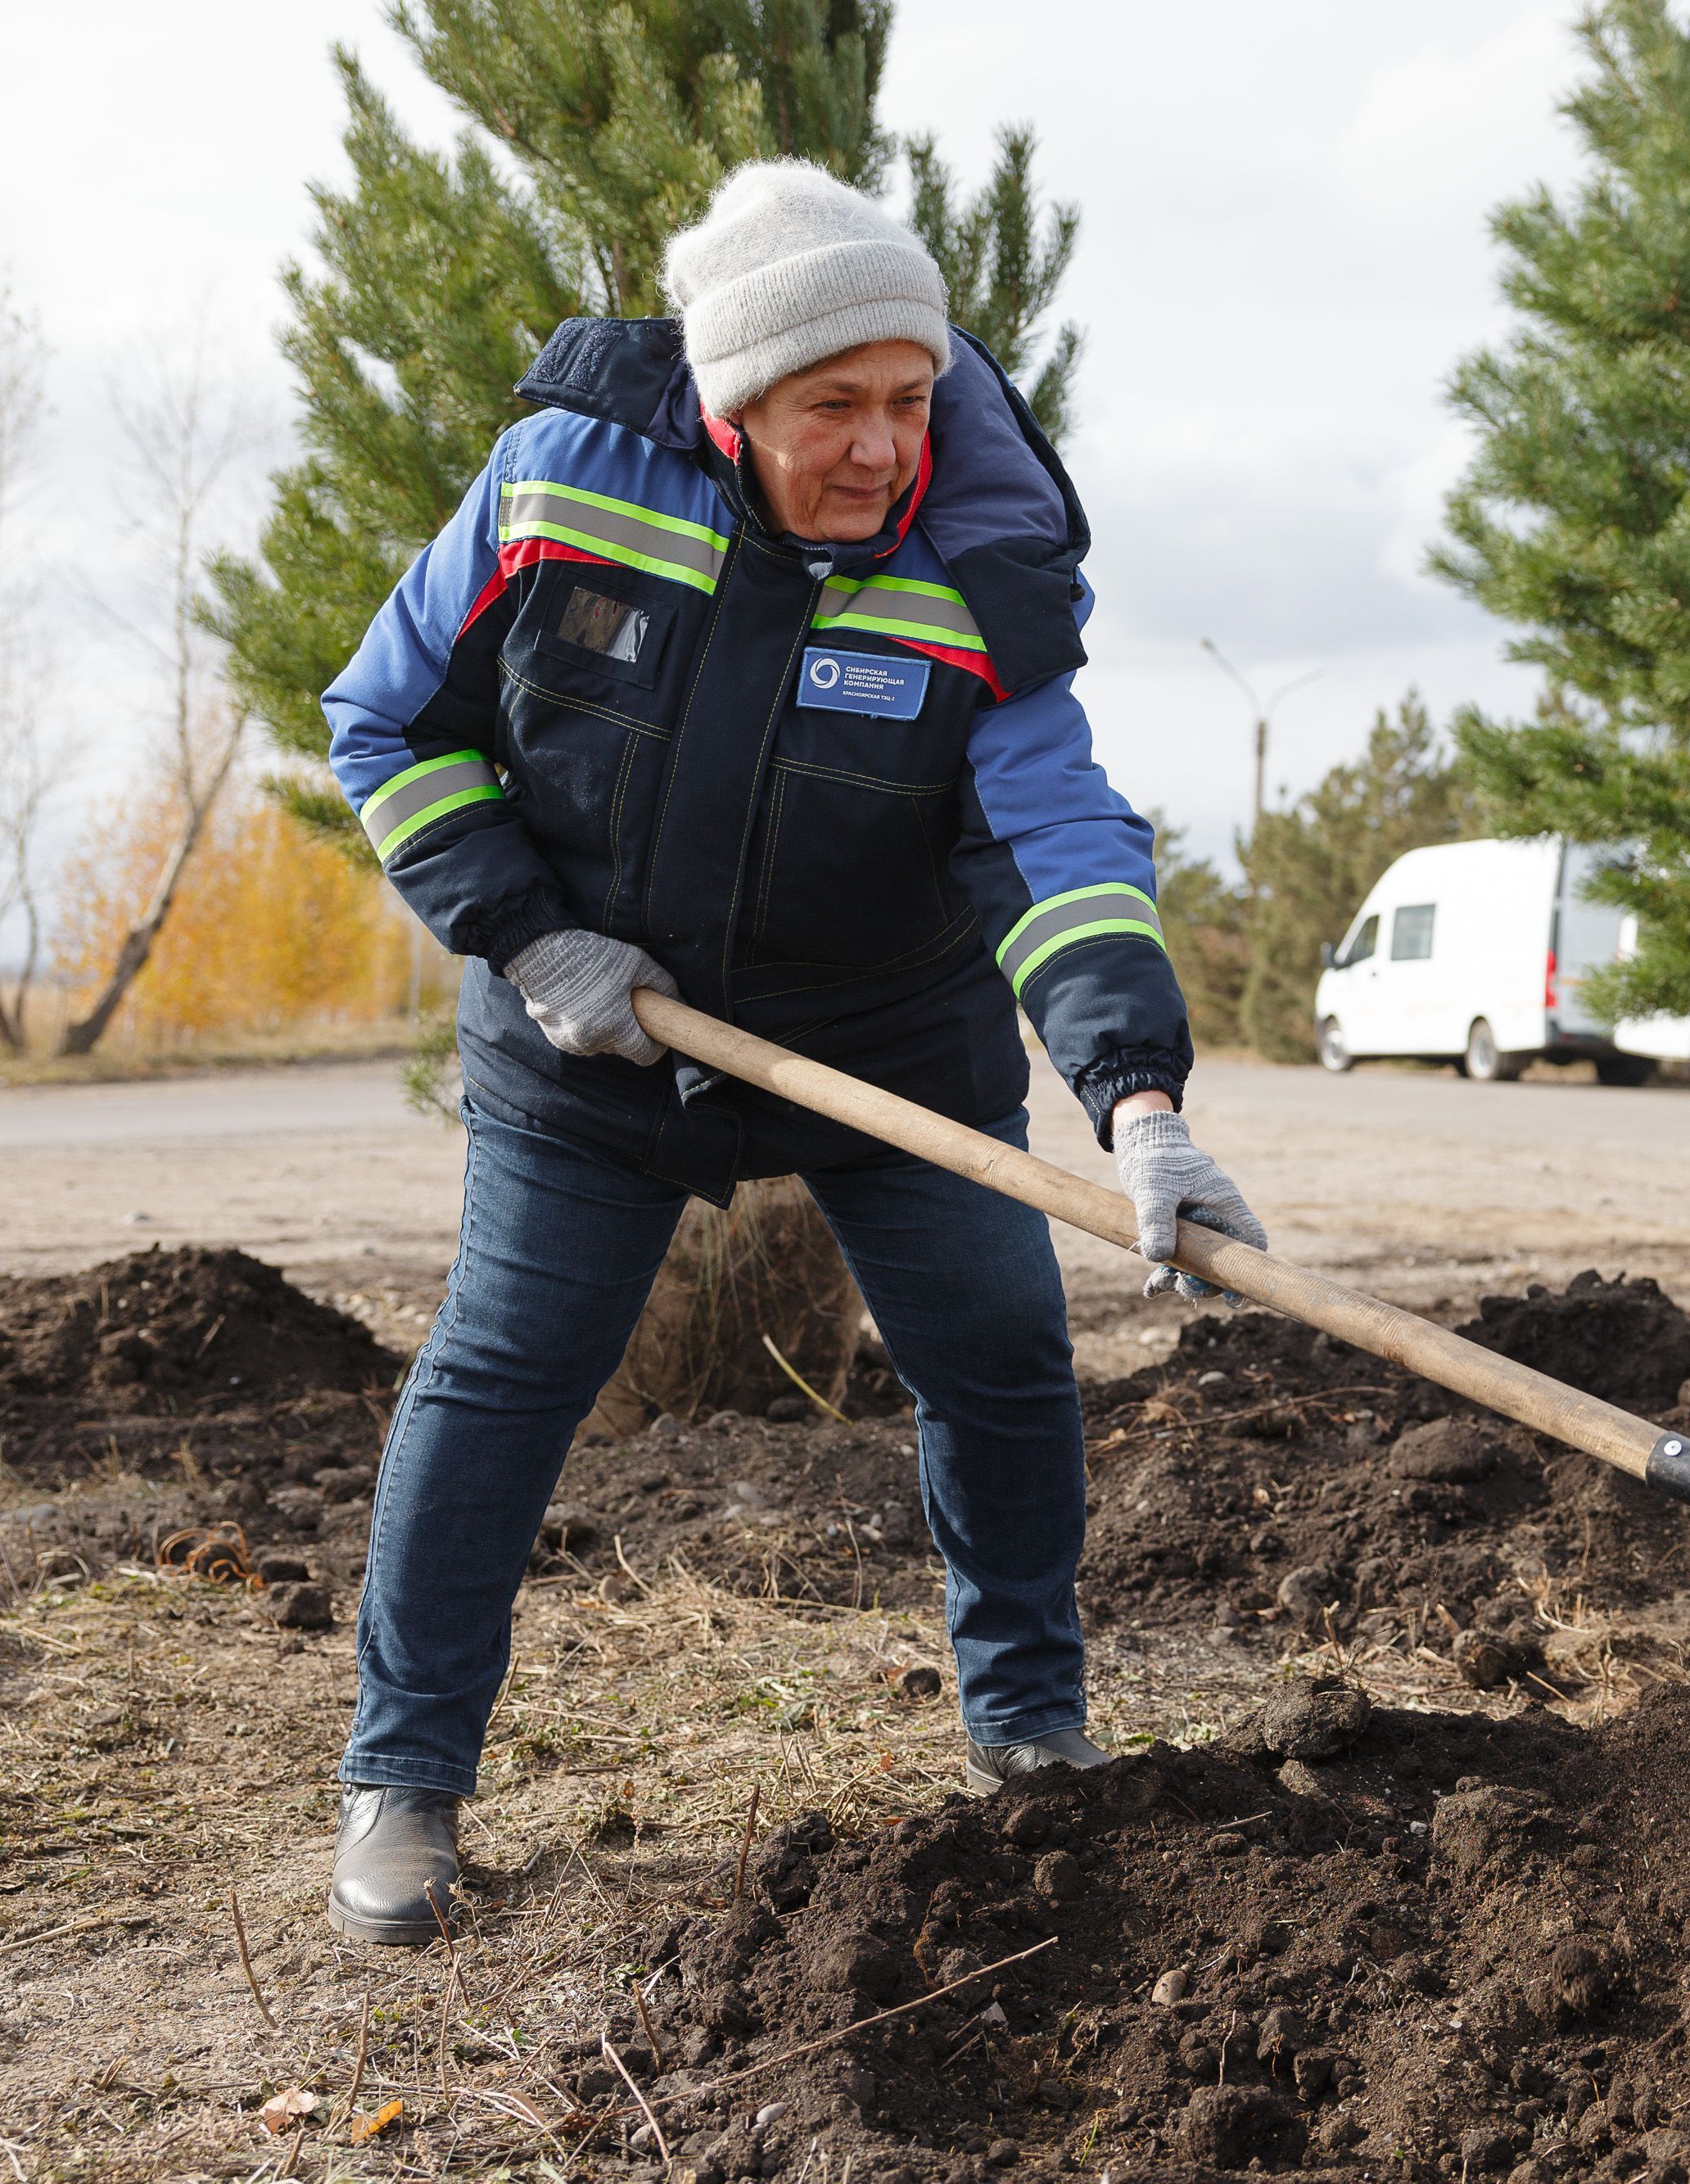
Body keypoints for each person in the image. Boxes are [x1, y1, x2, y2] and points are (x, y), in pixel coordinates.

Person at [312, 161, 1263, 1947]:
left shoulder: (975, 560)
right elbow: (384, 718)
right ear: (729, 400)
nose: (880, 448)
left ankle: (1033, 1729)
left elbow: (1056, 842)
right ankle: (406, 1778)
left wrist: (1136, 1101)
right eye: (834, 406)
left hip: (881, 1038)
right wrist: (525, 929)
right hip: (585, 1019)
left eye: (909, 399)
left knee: (997, 1349)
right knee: (505, 1369)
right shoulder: (557, 485)